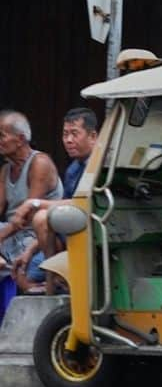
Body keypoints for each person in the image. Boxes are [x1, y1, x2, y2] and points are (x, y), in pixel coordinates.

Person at [9, 108, 98, 294]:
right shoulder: (74, 169)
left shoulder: (100, 166)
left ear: (93, 136)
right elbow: (66, 205)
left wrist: (34, 203)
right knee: (25, 273)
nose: (68, 140)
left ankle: (55, 282)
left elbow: (83, 204)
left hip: (90, 240)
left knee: (41, 217)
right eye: (65, 134)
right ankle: (55, 280)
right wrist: (30, 251)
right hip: (63, 240)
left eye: (75, 134)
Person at [0, 112, 62, 290]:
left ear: (20, 139)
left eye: (2, 135)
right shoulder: (6, 169)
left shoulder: (39, 163)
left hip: (35, 236)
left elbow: (27, 216)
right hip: (12, 234)